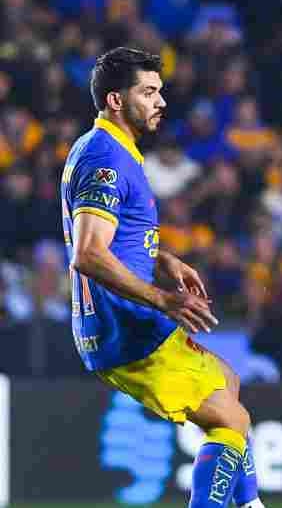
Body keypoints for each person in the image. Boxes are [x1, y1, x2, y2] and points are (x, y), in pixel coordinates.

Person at [60, 47, 264, 508]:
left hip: (124, 322)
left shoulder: (104, 149)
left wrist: (161, 257)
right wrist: (163, 299)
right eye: (148, 92)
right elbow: (88, 254)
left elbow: (114, 239)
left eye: (160, 91)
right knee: (232, 421)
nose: (161, 102)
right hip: (128, 329)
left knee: (227, 382)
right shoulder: (106, 161)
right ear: (116, 100)